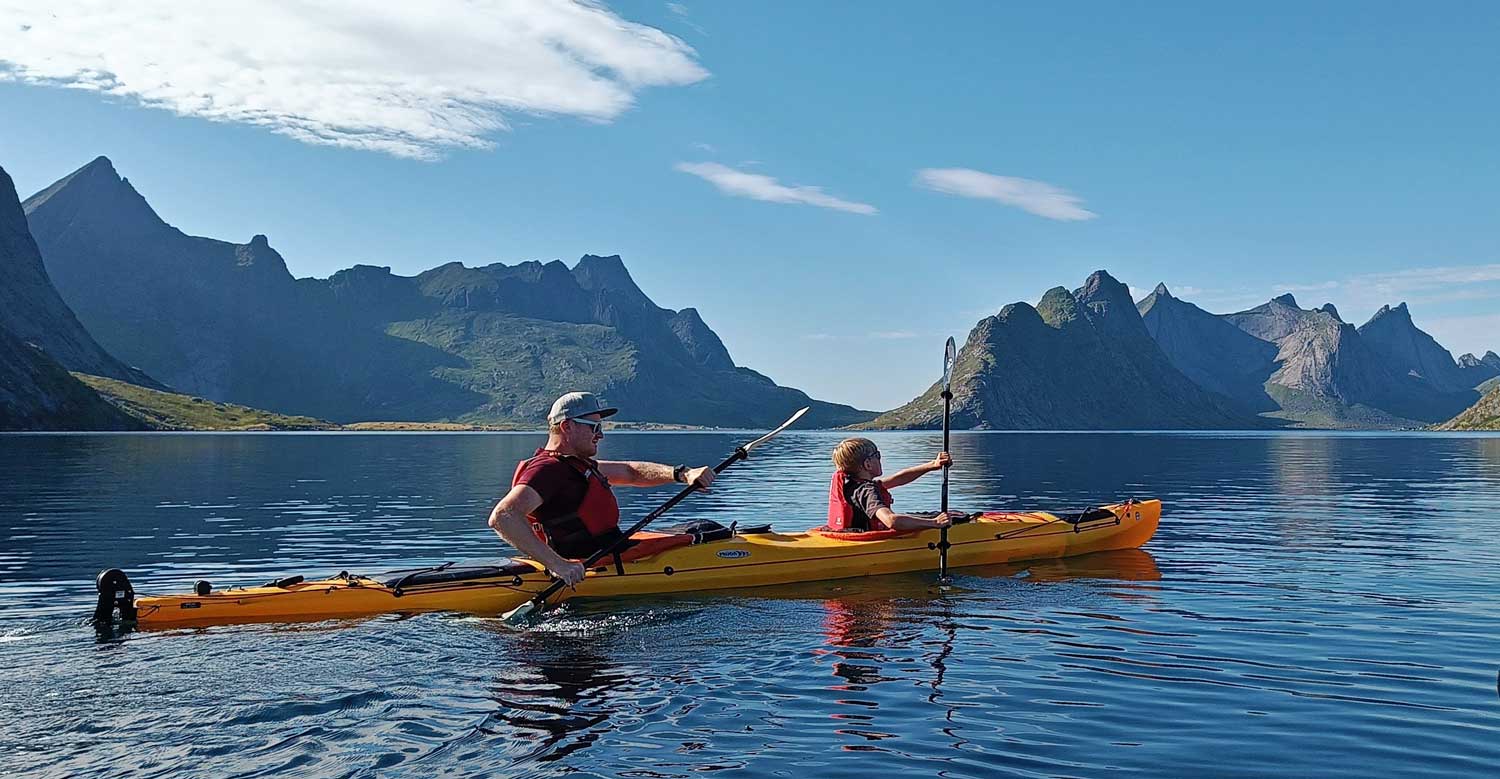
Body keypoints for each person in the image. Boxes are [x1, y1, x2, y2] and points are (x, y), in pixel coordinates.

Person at [487, 392, 716, 587]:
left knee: (702, 526)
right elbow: (503, 516)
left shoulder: (572, 464)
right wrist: (558, 565)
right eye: (594, 427)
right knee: (709, 534)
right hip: (592, 563)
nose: (601, 435)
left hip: (610, 549)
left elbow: (630, 472)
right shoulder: (548, 470)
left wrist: (682, 474)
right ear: (567, 426)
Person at [826, 437, 958, 532]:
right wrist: (934, 523)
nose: (880, 458)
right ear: (867, 464)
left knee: (934, 514)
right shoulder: (868, 491)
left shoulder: (852, 486)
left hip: (850, 533)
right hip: (868, 542)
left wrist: (932, 465)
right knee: (952, 517)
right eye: (877, 455)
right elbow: (891, 521)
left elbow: (899, 479)